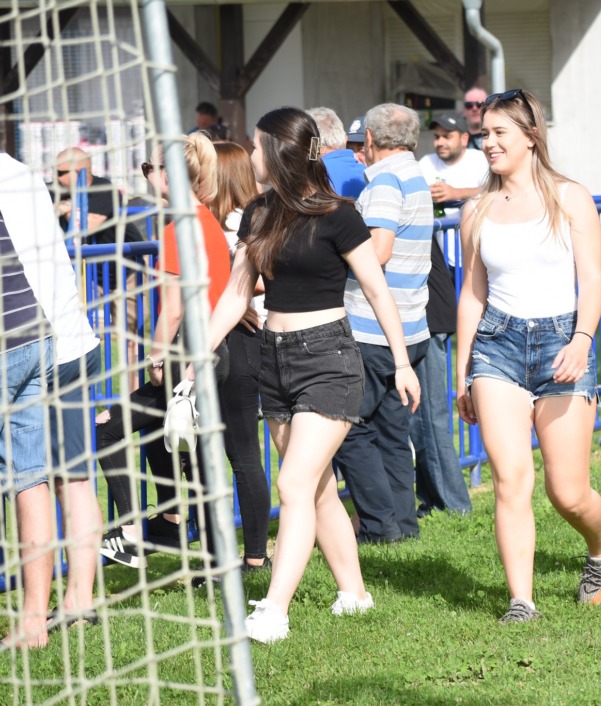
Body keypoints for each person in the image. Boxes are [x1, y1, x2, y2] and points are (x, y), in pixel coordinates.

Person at [199, 106, 419, 644]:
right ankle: (355, 593)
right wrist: (198, 351)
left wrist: (401, 361)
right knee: (316, 488)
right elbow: (237, 292)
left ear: (279, 153)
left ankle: (275, 610)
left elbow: (376, 290)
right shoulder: (258, 213)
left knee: (293, 483)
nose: (250, 155)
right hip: (273, 358)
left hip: (328, 359)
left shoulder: (339, 215)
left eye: (256, 146)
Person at [455, 88, 601, 624]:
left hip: (562, 344)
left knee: (567, 493)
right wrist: (462, 372)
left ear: (530, 137)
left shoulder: (570, 197)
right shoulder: (476, 210)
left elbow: (593, 280)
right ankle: (521, 601)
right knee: (510, 478)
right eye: (484, 133)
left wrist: (582, 340)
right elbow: (472, 294)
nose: (488, 142)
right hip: (496, 347)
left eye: (499, 132)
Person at [96, 133, 231, 568]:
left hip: (185, 357)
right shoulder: (206, 220)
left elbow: (173, 308)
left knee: (108, 428)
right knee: (177, 445)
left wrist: (155, 357)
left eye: (148, 168)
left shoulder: (179, 229)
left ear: (168, 175)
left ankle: (131, 533)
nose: (146, 176)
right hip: (210, 353)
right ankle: (175, 528)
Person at [0, 153, 101, 650]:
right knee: (56, 479)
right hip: (60, 333)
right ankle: (63, 605)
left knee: (44, 478)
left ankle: (56, 607)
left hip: (37, 340)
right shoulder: (19, 172)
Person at [331, 103, 432, 544]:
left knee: (348, 429)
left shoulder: (386, 180)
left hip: (373, 329)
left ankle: (378, 526)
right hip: (409, 326)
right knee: (392, 432)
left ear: (369, 139)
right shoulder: (414, 176)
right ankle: (402, 525)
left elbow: (379, 250)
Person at [207, 141, 271, 574]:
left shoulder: (237, 222)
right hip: (237, 337)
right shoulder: (234, 218)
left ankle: (253, 556)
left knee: (242, 452)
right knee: (237, 451)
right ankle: (245, 554)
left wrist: (232, 294)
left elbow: (256, 277)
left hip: (242, 340)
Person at [55, 147, 143, 392]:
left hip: (126, 272)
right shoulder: (57, 191)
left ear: (78, 172)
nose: (55, 178)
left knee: (128, 337)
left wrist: (67, 209)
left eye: (60, 173)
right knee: (84, 337)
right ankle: (86, 395)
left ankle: (132, 397)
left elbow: (86, 226)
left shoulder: (104, 189)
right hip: (91, 276)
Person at [411, 236, 472, 517]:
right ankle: (434, 499)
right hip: (423, 311)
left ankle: (454, 504)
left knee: (428, 416)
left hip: (425, 314)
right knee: (420, 417)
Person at [418, 111, 489, 267]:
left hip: (476, 260)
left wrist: (456, 193)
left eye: (447, 136)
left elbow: (495, 192)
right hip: (439, 260)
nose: (440, 142)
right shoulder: (426, 163)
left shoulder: (479, 160)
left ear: (464, 139)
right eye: (437, 137)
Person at [308, 107, 367, 198]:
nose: (354, 156)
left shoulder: (308, 177)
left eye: (361, 150)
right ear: (345, 139)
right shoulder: (371, 177)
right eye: (349, 148)